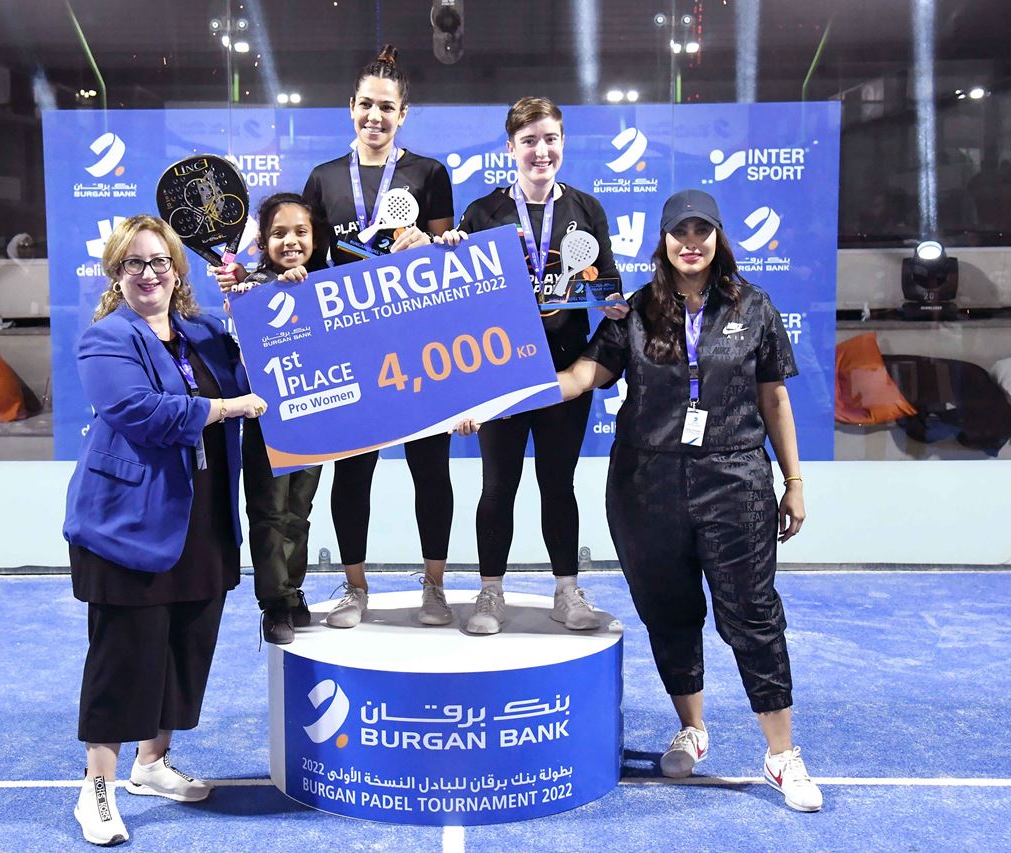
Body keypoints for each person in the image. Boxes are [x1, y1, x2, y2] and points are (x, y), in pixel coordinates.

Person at [556, 189, 822, 812]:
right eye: (681, 231)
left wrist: (795, 483)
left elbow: (775, 400)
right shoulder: (637, 310)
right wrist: (501, 390)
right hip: (645, 486)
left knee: (752, 616)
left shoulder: (754, 307)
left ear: (719, 238)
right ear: (664, 240)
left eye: (703, 230)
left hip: (735, 480)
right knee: (669, 612)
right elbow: (583, 376)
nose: (691, 241)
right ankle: (693, 729)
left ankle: (782, 756)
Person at [63, 214, 268, 845]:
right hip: (127, 524)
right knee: (125, 656)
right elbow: (138, 411)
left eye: (159, 262)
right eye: (134, 264)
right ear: (116, 274)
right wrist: (226, 408)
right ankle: (95, 788)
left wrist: (250, 290)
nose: (148, 274)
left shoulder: (205, 332)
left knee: (184, 647)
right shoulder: (107, 338)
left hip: (201, 517)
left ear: (177, 270)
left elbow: (266, 363)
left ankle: (151, 765)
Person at [439, 96, 628, 635]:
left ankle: (566, 591)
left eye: (550, 139)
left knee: (557, 483)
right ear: (511, 148)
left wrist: (609, 301)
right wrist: (451, 250)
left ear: (562, 143)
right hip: (502, 370)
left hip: (567, 375)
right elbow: (460, 303)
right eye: (529, 141)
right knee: (497, 485)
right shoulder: (483, 212)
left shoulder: (587, 209)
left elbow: (603, 280)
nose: (540, 151)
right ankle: (490, 592)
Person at [301, 44, 457, 628]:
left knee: (430, 470)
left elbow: (448, 264)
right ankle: (354, 587)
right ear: (350, 108)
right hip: (352, 349)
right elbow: (308, 263)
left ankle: (435, 586)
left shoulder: (429, 174)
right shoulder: (322, 179)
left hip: (419, 348)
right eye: (366, 104)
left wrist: (426, 241)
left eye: (386, 107)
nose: (375, 116)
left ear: (404, 113)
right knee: (354, 471)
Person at [221, 193, 331, 644]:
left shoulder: (331, 281)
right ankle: (274, 603)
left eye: (300, 232)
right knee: (268, 512)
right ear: (263, 241)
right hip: (267, 419)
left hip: (316, 417)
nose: (291, 241)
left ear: (315, 237)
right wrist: (249, 294)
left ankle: (292, 590)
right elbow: (241, 339)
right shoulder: (251, 290)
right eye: (279, 233)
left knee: (298, 512)